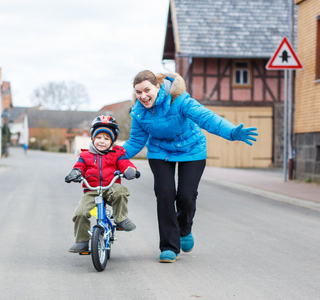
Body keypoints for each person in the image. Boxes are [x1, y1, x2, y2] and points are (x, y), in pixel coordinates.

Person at [122, 70, 258, 263]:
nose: (143, 96)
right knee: (165, 193)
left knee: (186, 195)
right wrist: (111, 156)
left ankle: (184, 228)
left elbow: (207, 118)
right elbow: (135, 141)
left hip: (191, 149)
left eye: (146, 90)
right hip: (160, 151)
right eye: (138, 92)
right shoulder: (138, 112)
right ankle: (169, 246)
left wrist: (231, 132)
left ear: (158, 87)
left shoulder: (180, 100)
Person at [65, 115, 138, 253]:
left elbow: (125, 163)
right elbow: (79, 167)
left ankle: (120, 218)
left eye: (106, 138)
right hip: (92, 190)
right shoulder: (85, 155)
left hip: (111, 188)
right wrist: (75, 173)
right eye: (99, 137)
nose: (102, 141)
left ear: (112, 141)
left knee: (121, 191)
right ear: (93, 138)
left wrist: (130, 170)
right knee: (80, 212)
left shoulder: (117, 153)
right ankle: (82, 241)